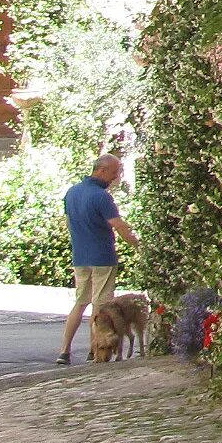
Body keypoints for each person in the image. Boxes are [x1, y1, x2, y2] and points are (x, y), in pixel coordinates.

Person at [57, 154, 139, 366]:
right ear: (101, 170)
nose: (115, 178)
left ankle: (64, 350)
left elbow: (69, 222)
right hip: (102, 255)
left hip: (81, 255)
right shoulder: (102, 197)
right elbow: (118, 225)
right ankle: (94, 349)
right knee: (100, 305)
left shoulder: (72, 192)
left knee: (80, 302)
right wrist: (137, 244)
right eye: (113, 173)